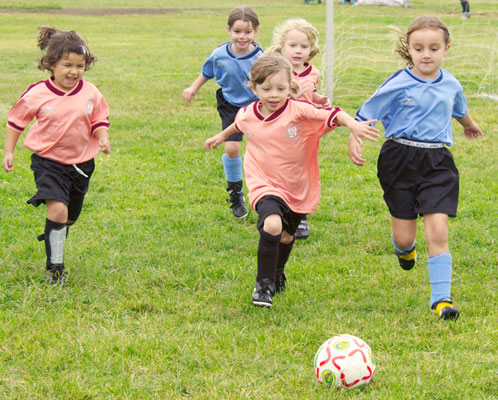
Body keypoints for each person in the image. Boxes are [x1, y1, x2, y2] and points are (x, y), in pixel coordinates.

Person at [205, 54, 379, 307]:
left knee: (287, 237)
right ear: (253, 88)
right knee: (272, 225)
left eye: (281, 88)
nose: (274, 95)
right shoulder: (247, 113)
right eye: (266, 89)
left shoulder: (298, 110)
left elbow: (334, 114)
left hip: (296, 184)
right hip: (263, 181)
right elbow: (239, 124)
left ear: (290, 87)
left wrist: (353, 125)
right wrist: (221, 136)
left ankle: (277, 272)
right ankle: (263, 285)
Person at [349, 16, 483, 320]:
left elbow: (459, 110)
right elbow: (365, 114)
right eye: (419, 48)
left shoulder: (451, 84)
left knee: (438, 231)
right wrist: (354, 139)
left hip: (438, 162)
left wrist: (469, 125)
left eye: (434, 48)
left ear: (446, 48)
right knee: (405, 237)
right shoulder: (398, 83)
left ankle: (441, 301)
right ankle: (404, 250)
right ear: (409, 49)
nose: (426, 54)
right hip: (399, 159)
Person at [3, 26, 111, 285]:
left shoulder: (90, 92)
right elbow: (16, 122)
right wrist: (9, 151)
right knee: (58, 210)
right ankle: (56, 269)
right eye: (67, 65)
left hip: (82, 165)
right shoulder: (37, 93)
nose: (74, 71)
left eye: (80, 66)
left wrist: (102, 137)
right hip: (49, 162)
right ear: (51, 64)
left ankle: (56, 234)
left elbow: (99, 119)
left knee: (68, 217)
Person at [183, 6, 263, 219]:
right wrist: (193, 88)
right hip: (230, 104)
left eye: (248, 32)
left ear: (256, 31)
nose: (242, 36)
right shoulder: (219, 54)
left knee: (263, 149)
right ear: (228, 30)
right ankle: (236, 193)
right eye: (237, 31)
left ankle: (266, 191)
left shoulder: (261, 58)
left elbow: (271, 81)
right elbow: (206, 73)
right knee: (232, 148)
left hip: (257, 106)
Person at [265, 18, 330, 240]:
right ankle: (275, 206)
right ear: (282, 46)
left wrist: (319, 99)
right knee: (281, 169)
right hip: (280, 129)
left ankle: (299, 215)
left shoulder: (313, 72)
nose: (298, 51)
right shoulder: (278, 71)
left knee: (302, 171)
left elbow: (311, 92)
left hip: (305, 132)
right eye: (293, 45)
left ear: (311, 49)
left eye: (304, 46)